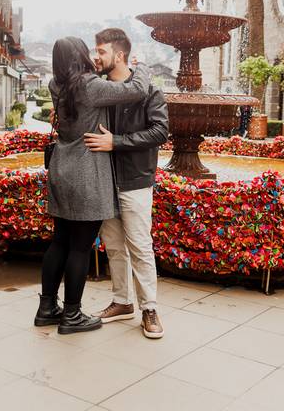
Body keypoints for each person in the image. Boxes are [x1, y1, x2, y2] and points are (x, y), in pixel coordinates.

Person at [35, 36, 150, 335]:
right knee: (80, 247)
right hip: (87, 172)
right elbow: (136, 89)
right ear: (79, 56)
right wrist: (141, 66)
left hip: (61, 170)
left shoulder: (56, 84)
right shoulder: (91, 86)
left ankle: (47, 308)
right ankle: (71, 315)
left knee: (60, 240)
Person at [84, 28, 169, 339]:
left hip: (135, 181)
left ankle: (149, 308)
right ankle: (122, 302)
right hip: (105, 182)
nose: (96, 56)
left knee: (140, 247)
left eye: (101, 51)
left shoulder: (149, 92)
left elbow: (160, 132)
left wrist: (116, 142)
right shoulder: (100, 90)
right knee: (115, 247)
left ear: (118, 55)